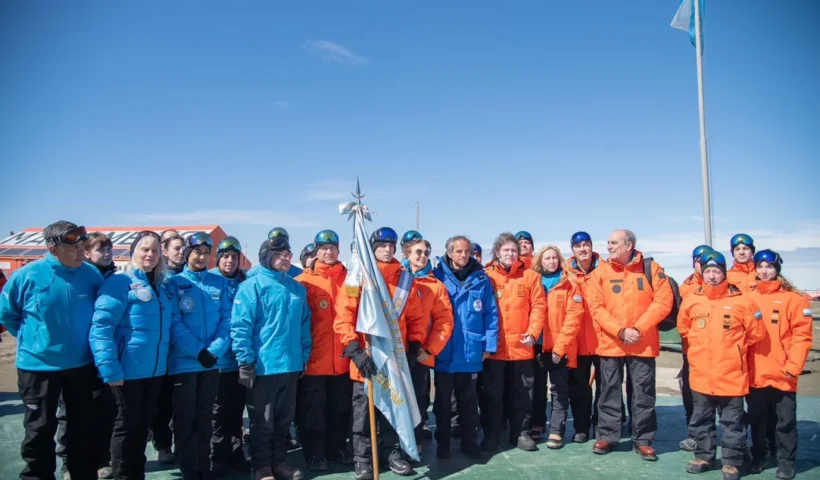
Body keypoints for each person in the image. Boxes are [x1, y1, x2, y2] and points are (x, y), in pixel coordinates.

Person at [0, 221, 104, 480]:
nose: (81, 250)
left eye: (83, 245)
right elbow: (8, 314)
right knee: (39, 430)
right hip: (38, 368)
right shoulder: (26, 276)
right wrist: (35, 341)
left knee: (83, 429)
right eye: (74, 246)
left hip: (81, 366)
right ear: (53, 249)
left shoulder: (91, 275)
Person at [333, 227, 426, 480]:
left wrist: (414, 344)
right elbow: (344, 316)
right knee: (363, 414)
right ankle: (363, 459)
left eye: (390, 246)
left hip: (394, 359)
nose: (387, 249)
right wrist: (353, 349)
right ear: (372, 249)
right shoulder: (356, 277)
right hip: (365, 358)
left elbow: (416, 317)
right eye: (382, 245)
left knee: (393, 408)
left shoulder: (404, 279)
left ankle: (392, 454)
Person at [90, 231, 176, 480]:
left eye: (155, 250)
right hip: (125, 373)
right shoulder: (119, 282)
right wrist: (110, 368)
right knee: (125, 429)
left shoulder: (161, 286)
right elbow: (101, 327)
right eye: (144, 249)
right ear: (133, 252)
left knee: (141, 429)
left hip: (154, 372)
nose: (150, 254)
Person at [677, 250, 765, 480]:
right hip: (701, 374)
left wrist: (734, 350)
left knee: (732, 422)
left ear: (724, 273)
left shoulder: (742, 301)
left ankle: (732, 462)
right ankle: (704, 456)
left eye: (716, 271)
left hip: (731, 374)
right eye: (708, 271)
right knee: (701, 419)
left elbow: (756, 333)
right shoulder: (692, 301)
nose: (712, 276)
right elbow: (684, 329)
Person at [587, 229, 673, 461]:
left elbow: (664, 301)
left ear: (629, 245)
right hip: (611, 342)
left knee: (643, 393)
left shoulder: (651, 269)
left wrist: (638, 329)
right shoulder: (600, 273)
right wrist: (620, 331)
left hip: (642, 343)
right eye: (608, 242)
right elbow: (596, 307)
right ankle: (607, 436)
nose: (609, 246)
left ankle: (643, 440)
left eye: (614, 243)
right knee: (608, 390)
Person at [231, 236, 312, 480]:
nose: (285, 258)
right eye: (279, 254)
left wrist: (304, 356)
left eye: (288, 254)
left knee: (283, 420)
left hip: (291, 365)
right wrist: (245, 360)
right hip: (264, 366)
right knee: (262, 421)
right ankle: (262, 466)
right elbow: (240, 326)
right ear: (266, 257)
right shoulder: (251, 286)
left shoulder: (297, 288)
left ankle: (279, 461)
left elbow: (304, 325)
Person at [168, 232, 232, 480]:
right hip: (185, 364)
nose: (202, 257)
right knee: (186, 419)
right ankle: (189, 470)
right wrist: (197, 350)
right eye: (197, 252)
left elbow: (227, 320)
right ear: (187, 254)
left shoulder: (219, 283)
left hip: (211, 364)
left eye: (206, 253)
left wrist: (214, 351)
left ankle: (204, 468)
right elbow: (174, 323)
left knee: (205, 418)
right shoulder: (174, 283)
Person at [57, 232, 118, 479]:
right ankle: (67, 462)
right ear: (87, 252)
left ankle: (102, 459)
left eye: (109, 249)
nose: (106, 253)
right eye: (100, 249)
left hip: (106, 356)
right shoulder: (78, 277)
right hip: (78, 357)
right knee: (70, 413)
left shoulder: (117, 279)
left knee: (107, 410)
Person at [747, 249, 813, 480]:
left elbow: (802, 337)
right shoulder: (747, 298)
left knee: (784, 421)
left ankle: (786, 461)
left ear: (777, 269)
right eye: (760, 267)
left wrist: (793, 367)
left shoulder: (794, 300)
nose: (765, 271)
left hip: (783, 372)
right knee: (757, 419)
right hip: (755, 372)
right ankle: (759, 455)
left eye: (770, 267)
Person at [432, 235, 496, 459]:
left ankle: (470, 443)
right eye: (459, 251)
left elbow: (490, 314)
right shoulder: (437, 277)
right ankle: (443, 444)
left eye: (467, 251)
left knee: (469, 402)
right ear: (449, 253)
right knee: (442, 403)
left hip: (471, 352)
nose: (463, 255)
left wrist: (488, 344)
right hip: (445, 351)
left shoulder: (481, 279)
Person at [294, 230, 353, 471]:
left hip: (344, 360)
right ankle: (315, 452)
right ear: (316, 251)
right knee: (313, 412)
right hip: (315, 362)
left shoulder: (351, 279)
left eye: (332, 248)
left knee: (340, 409)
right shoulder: (303, 282)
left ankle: (336, 448)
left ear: (339, 250)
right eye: (323, 248)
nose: (329, 252)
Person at [481, 232, 546, 452]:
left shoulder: (530, 276)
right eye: (506, 250)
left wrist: (533, 333)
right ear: (497, 252)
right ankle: (491, 434)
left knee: (523, 394)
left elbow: (538, 307)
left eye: (514, 250)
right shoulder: (487, 276)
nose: (510, 253)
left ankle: (521, 433)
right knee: (493, 394)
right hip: (495, 349)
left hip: (522, 347)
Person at [399, 231, 454, 449]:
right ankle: (392, 445)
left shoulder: (435, 286)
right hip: (394, 351)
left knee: (417, 398)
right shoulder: (394, 279)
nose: (423, 256)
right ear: (407, 253)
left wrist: (430, 349)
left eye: (426, 253)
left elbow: (444, 321)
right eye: (418, 252)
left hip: (419, 353)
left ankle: (415, 443)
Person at [529, 246, 583, 449]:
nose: (551, 261)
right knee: (537, 388)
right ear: (540, 261)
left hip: (560, 346)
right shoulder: (533, 281)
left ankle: (556, 430)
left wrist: (560, 348)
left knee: (559, 390)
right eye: (547, 258)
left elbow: (574, 318)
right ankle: (537, 423)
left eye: (554, 258)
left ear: (559, 260)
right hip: (537, 345)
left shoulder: (570, 283)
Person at [209, 236, 251, 475]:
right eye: (225, 256)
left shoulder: (245, 283)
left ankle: (236, 453)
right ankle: (217, 456)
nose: (230, 261)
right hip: (217, 361)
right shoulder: (210, 281)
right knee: (217, 413)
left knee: (236, 410)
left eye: (234, 257)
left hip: (239, 360)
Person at [152, 231, 186, 462]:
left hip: (185, 352)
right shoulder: (159, 278)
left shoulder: (190, 276)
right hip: (163, 351)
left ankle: (183, 445)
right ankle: (163, 445)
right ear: (164, 251)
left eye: (183, 248)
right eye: (176, 248)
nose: (181, 252)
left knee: (183, 403)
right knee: (162, 402)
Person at [565, 231, 602, 443]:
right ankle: (581, 427)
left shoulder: (605, 270)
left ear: (592, 246)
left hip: (603, 340)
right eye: (578, 246)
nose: (583, 249)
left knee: (606, 387)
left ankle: (602, 426)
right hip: (577, 342)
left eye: (586, 244)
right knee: (579, 387)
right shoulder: (566, 273)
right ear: (573, 250)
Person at [677, 244, 713, 453]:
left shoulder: (727, 286)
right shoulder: (685, 289)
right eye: (699, 261)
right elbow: (681, 322)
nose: (703, 265)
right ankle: (695, 434)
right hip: (691, 351)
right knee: (692, 393)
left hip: (721, 352)